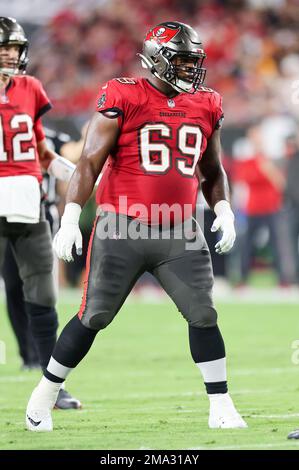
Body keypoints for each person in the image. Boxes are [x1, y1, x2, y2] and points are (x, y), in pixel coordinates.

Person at [26, 21, 247, 431]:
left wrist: (224, 210)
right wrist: (72, 217)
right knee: (94, 316)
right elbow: (90, 161)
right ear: (158, 59)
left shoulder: (207, 103)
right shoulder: (124, 94)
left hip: (180, 229)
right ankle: (46, 391)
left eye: (192, 62)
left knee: (203, 314)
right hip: (121, 227)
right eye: (180, 61)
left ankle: (221, 405)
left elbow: (212, 170)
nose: (189, 69)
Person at [0, 17, 81, 409]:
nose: (9, 55)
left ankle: (52, 388)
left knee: (43, 294)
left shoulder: (30, 88)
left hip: (26, 198)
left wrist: (72, 173)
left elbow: (40, 149)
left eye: (13, 49)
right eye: (3, 48)